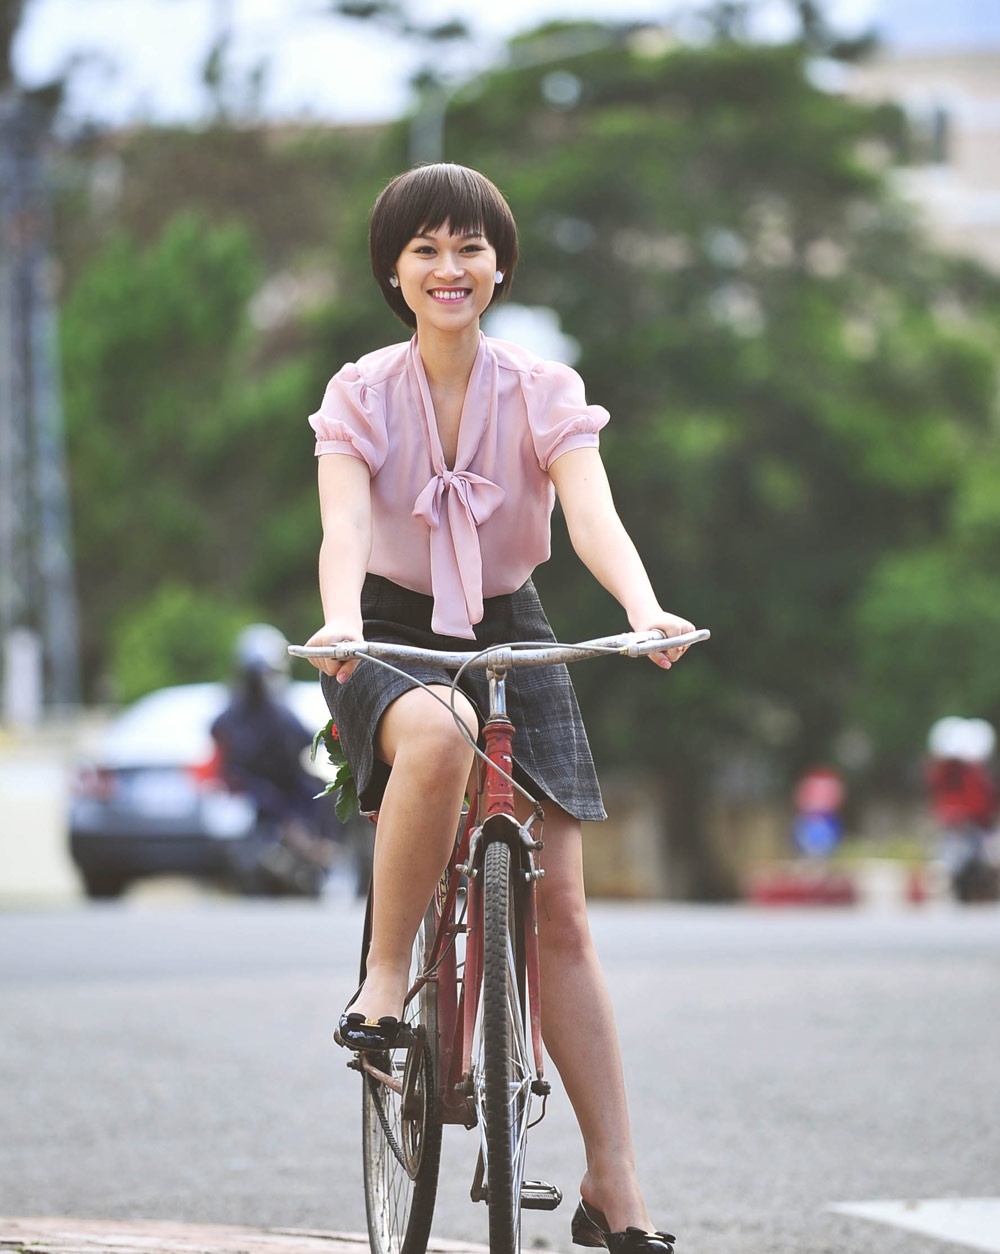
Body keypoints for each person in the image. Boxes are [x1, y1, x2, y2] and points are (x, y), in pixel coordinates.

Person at [304, 162, 692, 1252]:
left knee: (562, 914)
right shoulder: (359, 393)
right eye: (425, 248)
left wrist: (644, 608)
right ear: (392, 270)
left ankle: (614, 1185)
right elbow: (343, 528)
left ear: (500, 265)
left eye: (469, 247)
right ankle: (386, 985)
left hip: (514, 619)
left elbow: (591, 516)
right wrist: (341, 622)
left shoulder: (543, 388)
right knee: (441, 730)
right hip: (386, 625)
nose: (450, 267)